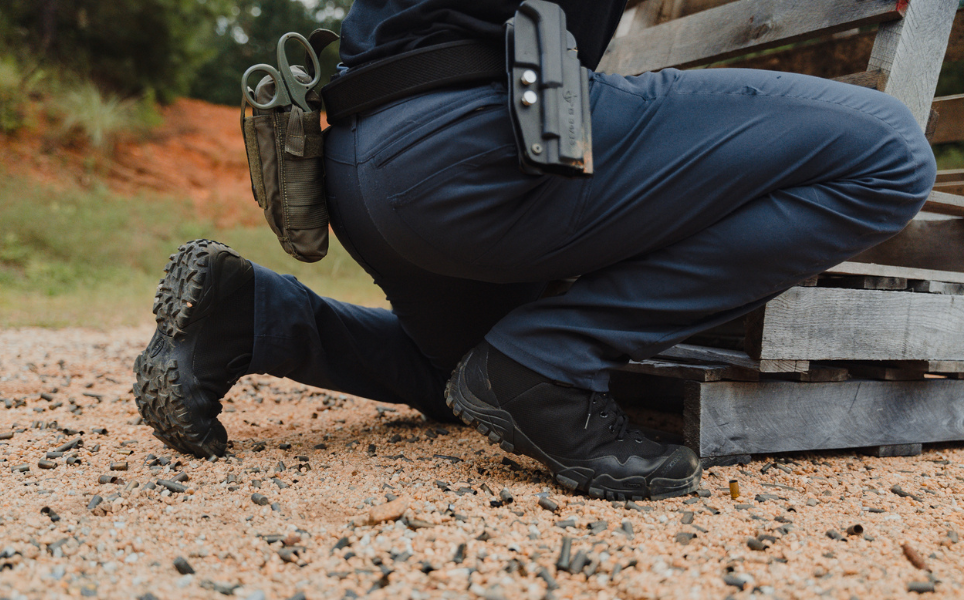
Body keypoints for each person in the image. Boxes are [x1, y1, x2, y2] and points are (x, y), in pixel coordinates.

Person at [132, 0, 937, 500]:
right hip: (475, 151)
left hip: (356, 166)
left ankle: (254, 317)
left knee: (462, 379)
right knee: (889, 153)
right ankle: (555, 358)